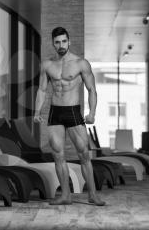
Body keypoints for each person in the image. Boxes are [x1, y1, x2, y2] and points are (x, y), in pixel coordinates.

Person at [34, 27, 105, 206]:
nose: (61, 45)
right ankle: (66, 195)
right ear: (53, 43)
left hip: (73, 111)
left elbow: (92, 90)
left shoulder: (81, 63)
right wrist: (37, 111)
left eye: (64, 41)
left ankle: (93, 195)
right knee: (58, 155)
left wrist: (92, 113)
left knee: (84, 154)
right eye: (57, 42)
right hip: (55, 113)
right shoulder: (47, 65)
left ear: (69, 41)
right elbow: (42, 90)